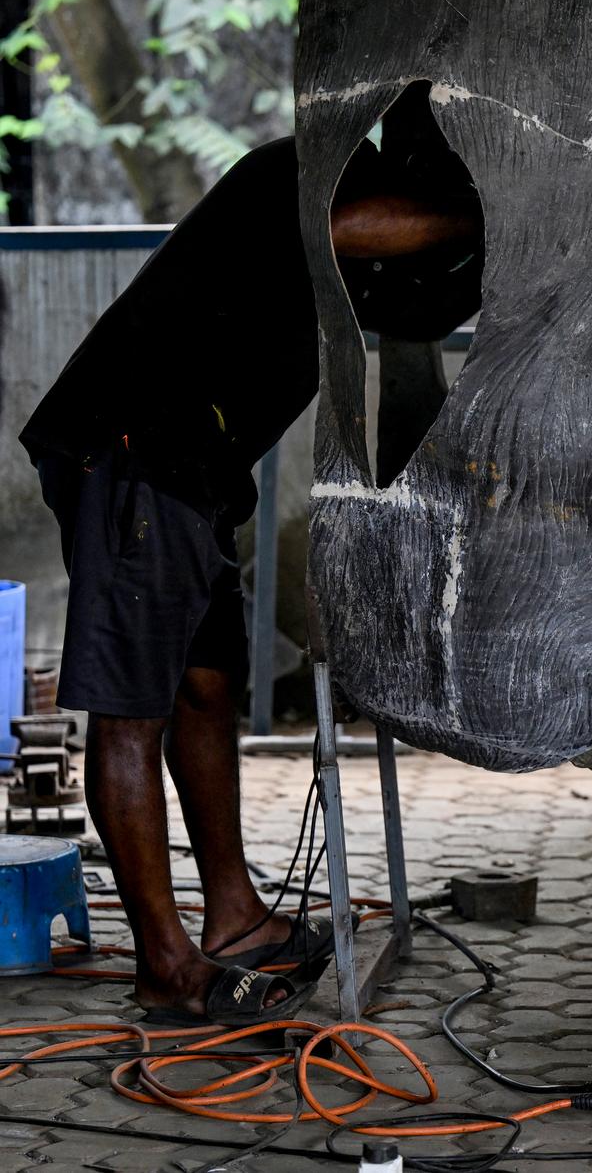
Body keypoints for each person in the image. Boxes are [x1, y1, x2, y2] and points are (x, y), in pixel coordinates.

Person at [20, 116, 482, 1025]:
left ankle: (232, 917)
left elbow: (410, 306)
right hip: (133, 451)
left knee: (205, 689)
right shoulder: (297, 176)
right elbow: (371, 228)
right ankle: (163, 962)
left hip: (194, 472)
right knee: (130, 716)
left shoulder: (361, 231)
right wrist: (499, 213)